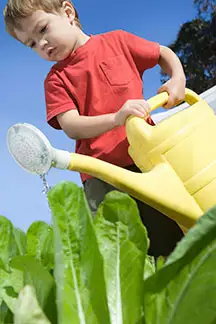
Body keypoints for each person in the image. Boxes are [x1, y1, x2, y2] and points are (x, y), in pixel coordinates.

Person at [4, 0, 186, 257]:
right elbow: (72, 126)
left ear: (67, 13)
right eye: (32, 44)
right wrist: (116, 118)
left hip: (148, 160)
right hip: (102, 175)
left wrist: (177, 78)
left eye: (43, 29)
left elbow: (162, 54)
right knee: (120, 253)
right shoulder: (56, 80)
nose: (41, 44)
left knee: (172, 236)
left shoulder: (118, 42)